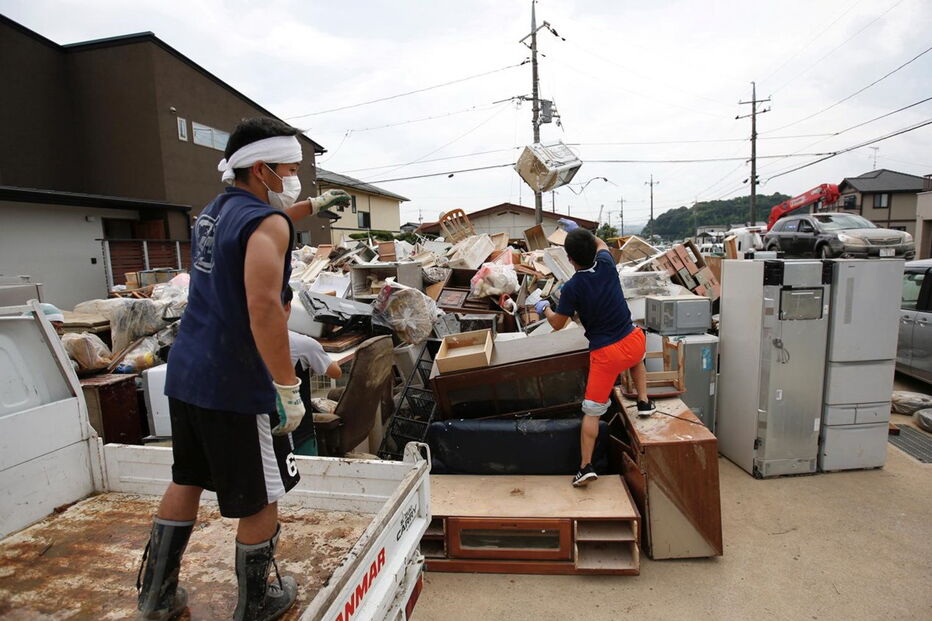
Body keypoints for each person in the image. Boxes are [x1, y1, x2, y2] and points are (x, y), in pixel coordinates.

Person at [136, 116, 350, 621]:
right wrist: (287, 387)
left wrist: (311, 207)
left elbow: (263, 226)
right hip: (234, 381)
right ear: (261, 169)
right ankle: (257, 604)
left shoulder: (214, 212)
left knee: (187, 478)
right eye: (289, 170)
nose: (294, 178)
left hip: (188, 371)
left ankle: (156, 597)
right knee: (261, 495)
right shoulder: (267, 225)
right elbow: (265, 310)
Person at [535, 221, 654, 488]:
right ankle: (644, 402)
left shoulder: (571, 288)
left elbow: (558, 324)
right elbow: (599, 243)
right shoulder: (607, 263)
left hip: (606, 355)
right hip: (632, 341)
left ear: (569, 259)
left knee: (592, 411)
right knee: (637, 358)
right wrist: (581, 231)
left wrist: (544, 308)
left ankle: (585, 466)